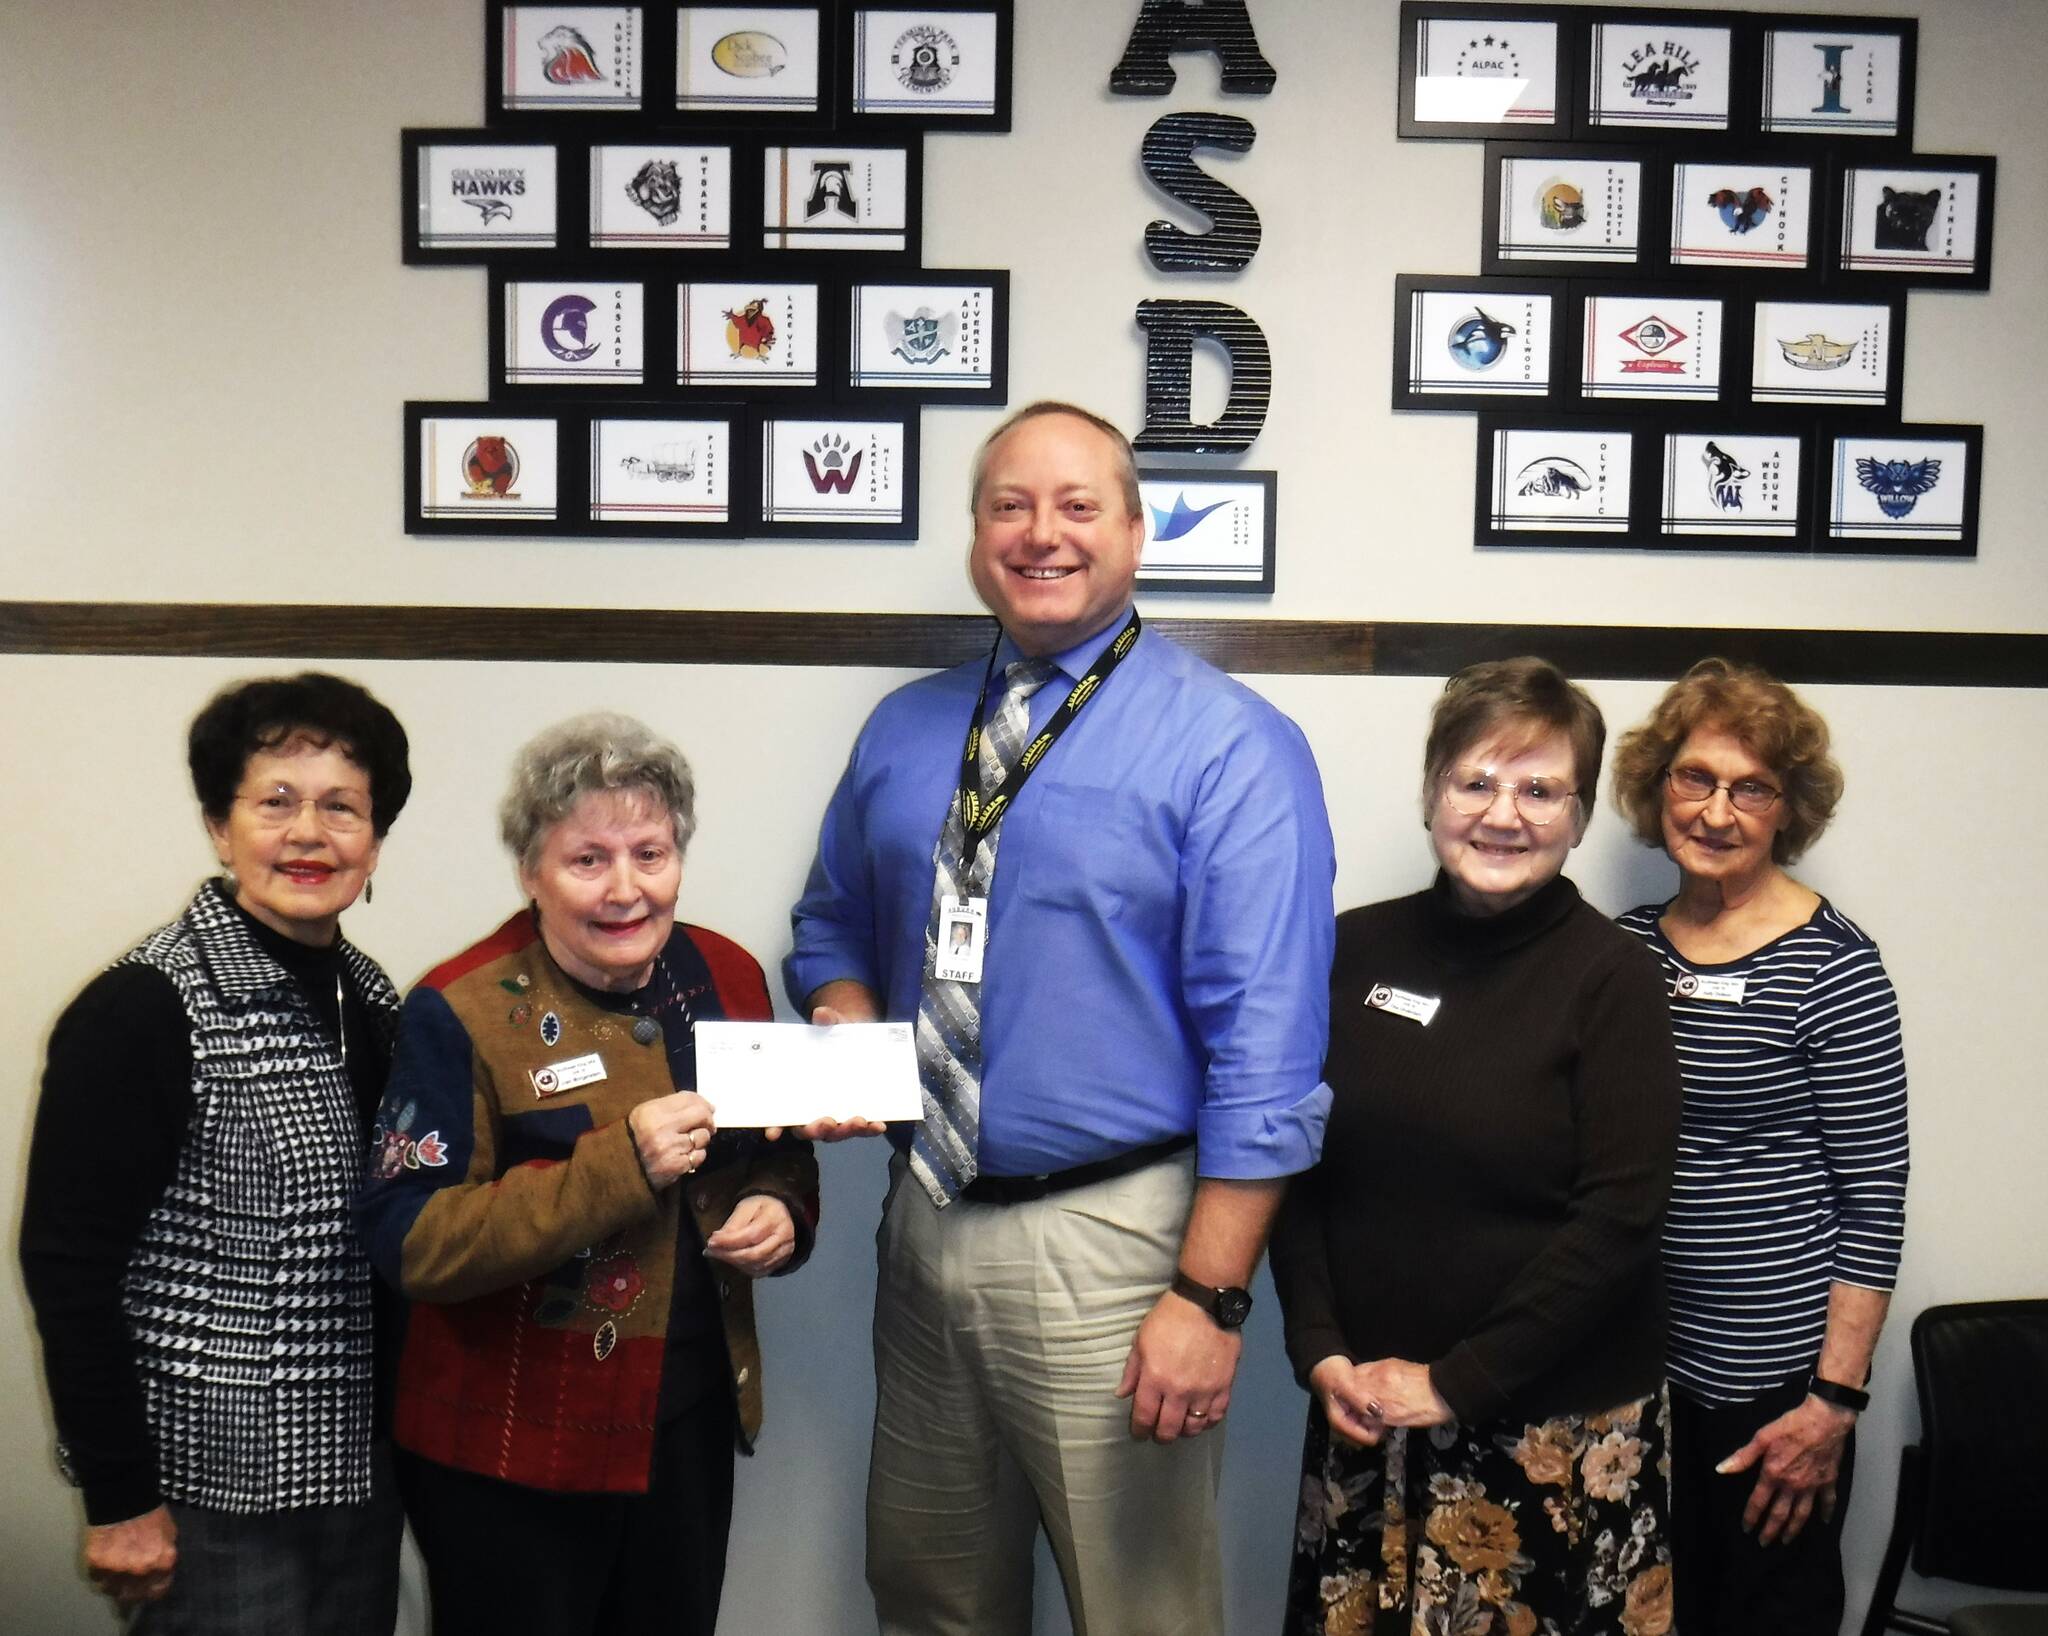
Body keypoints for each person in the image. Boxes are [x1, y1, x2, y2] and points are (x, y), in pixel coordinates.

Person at [786, 401, 1336, 1636]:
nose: (1042, 534)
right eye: (1009, 505)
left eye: (1077, 505)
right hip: (923, 1217)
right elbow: (827, 925)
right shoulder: (905, 727)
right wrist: (842, 1017)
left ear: (1136, 532)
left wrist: (1210, 1298)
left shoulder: (1230, 747)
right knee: (929, 1592)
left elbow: (1268, 1054)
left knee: (1134, 1606)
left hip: (1119, 1244)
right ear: (976, 535)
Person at [356, 713, 818, 1636]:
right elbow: (413, 1242)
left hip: (682, 1423)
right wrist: (617, 1166)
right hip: (508, 1449)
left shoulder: (725, 974)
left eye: (650, 853)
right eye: (587, 860)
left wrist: (781, 1205)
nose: (625, 889)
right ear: (530, 871)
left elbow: (774, 1141)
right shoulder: (461, 1006)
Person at [1271, 657, 1683, 1636]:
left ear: (1579, 817)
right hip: (1365, 1421)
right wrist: (1319, 1348)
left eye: (1540, 789)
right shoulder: (1349, 951)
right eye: (1474, 781)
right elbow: (1291, 1160)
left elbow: (1619, 1217)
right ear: (1429, 793)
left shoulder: (1611, 979)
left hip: (1552, 1436)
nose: (1503, 813)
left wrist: (1452, 1384)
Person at [19, 672, 413, 1631]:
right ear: (217, 824)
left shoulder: (375, 999)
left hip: (358, 1475)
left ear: (376, 838)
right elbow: (67, 1266)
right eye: (274, 802)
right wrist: (119, 1496)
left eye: (341, 808)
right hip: (207, 1493)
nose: (308, 835)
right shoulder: (145, 1007)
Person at [1612, 658, 1909, 1636]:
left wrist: (1830, 1402)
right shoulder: (1622, 952)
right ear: (1658, 786)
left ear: (1786, 810)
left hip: (1775, 1395)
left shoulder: (1833, 967)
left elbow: (1872, 1202)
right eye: (1693, 777)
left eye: (1750, 788)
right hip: (1642, 1380)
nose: (1715, 809)